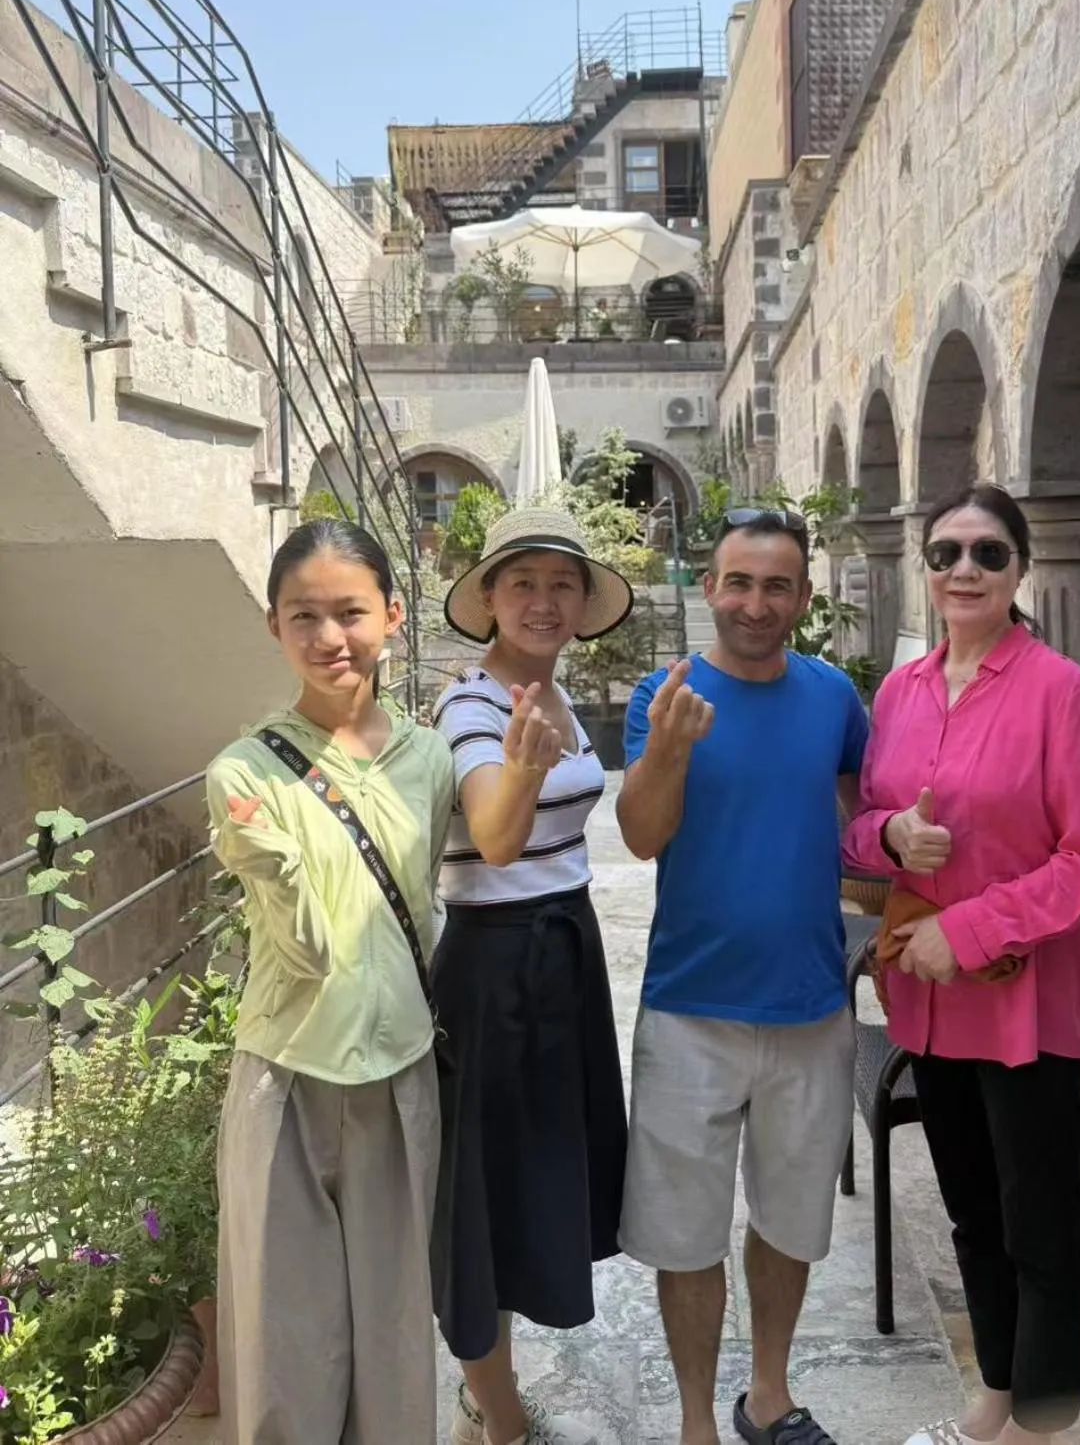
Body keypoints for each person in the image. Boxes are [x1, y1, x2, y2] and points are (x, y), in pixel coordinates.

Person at [843, 484, 1080, 1445]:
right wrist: (892, 836)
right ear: (926, 569)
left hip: (1030, 1002)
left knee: (1039, 1230)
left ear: (1019, 570)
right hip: (931, 1005)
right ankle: (999, 1394)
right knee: (971, 1213)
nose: (963, 569)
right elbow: (866, 823)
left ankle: (1042, 1427)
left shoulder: (1062, 692)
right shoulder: (901, 689)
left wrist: (963, 936)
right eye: (946, 552)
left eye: (987, 553)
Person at [617, 507, 868, 1445]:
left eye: (775, 585)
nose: (755, 603)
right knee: (684, 1234)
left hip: (809, 1007)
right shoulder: (662, 693)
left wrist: (889, 897)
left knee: (792, 1220)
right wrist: (673, 746)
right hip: (690, 1009)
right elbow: (642, 835)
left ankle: (769, 1393)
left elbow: (857, 819)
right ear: (708, 588)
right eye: (738, 582)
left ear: (803, 597)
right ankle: (695, 1423)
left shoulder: (834, 696)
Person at [207, 518, 455, 1445]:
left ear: (392, 613)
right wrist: (268, 866)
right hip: (285, 1076)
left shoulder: (429, 759)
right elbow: (306, 949)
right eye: (302, 615)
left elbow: (429, 903)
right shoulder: (242, 770)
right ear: (273, 626)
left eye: (349, 611)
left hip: (398, 1072)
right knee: (285, 1339)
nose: (328, 636)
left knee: (396, 1333)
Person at [431, 507, 635, 1445]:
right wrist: (519, 765)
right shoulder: (472, 706)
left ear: (586, 602)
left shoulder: (555, 699)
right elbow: (498, 836)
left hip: (564, 950)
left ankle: (492, 1396)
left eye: (563, 584)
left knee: (533, 1175)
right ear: (490, 599)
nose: (545, 602)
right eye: (524, 583)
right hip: (495, 965)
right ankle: (498, 1413)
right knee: (486, 1186)